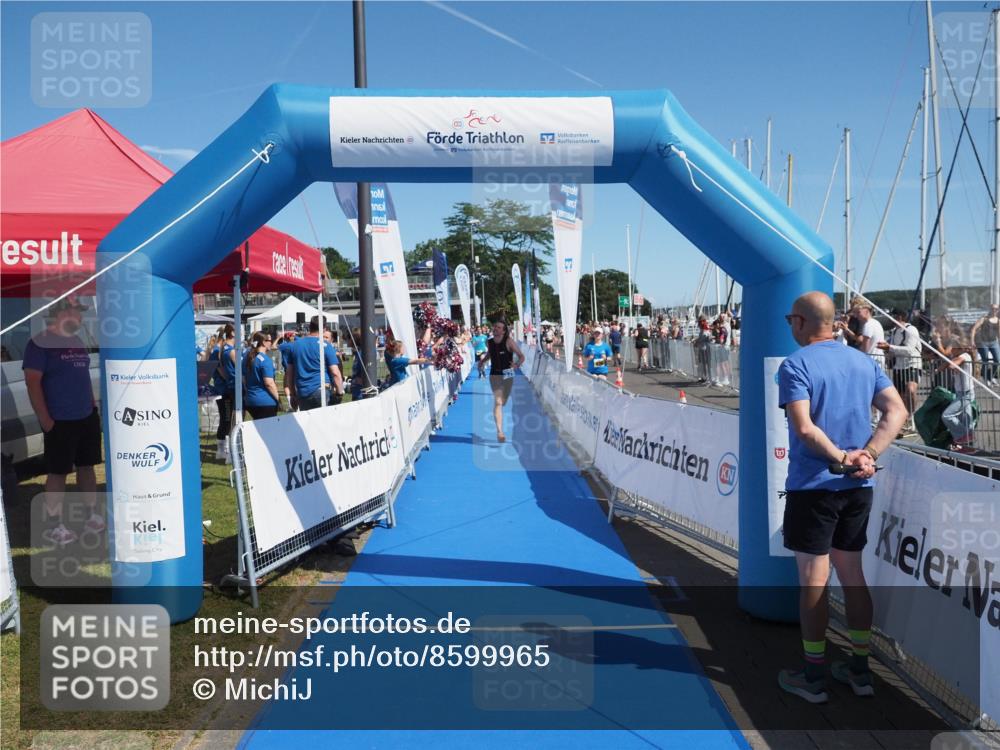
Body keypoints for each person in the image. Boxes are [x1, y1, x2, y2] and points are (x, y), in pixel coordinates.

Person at [777, 291, 907, 704]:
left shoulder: (795, 364)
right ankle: (860, 670)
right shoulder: (863, 361)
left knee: (814, 579)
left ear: (799, 321)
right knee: (852, 573)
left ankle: (813, 676)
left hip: (817, 486)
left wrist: (844, 459)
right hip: (857, 488)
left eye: (789, 320)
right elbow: (897, 411)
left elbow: (804, 429)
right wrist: (866, 455)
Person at [22, 297, 104, 546]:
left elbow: (81, 377)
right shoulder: (39, 344)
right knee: (58, 473)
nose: (80, 318)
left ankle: (91, 516)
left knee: (87, 467)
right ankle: (55, 525)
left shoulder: (76, 340)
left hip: (85, 416)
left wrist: (91, 404)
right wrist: (46, 419)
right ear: (62, 313)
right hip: (60, 420)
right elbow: (32, 382)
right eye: (77, 312)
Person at [877, 309, 922, 434]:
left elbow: (909, 349)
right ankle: (904, 420)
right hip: (899, 367)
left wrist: (889, 347)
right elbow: (893, 351)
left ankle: (910, 416)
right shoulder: (894, 332)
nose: (890, 318)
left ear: (900, 317)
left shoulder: (911, 330)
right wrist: (887, 351)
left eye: (893, 316)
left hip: (912, 364)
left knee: (911, 389)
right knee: (901, 396)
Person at [286, 316, 344, 411]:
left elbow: (289, 374)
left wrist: (292, 394)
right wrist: (339, 392)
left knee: (308, 425)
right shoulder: (325, 345)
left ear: (310, 326)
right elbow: (335, 373)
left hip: (302, 392)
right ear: (324, 329)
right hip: (321, 391)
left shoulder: (294, 345)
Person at [480, 320, 524, 442]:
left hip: (508, 372)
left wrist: (516, 365)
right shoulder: (489, 342)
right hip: (494, 373)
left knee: (503, 402)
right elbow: (490, 354)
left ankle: (501, 406)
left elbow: (522, 356)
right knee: (498, 402)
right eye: (495, 326)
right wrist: (482, 361)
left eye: (499, 327)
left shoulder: (509, 341)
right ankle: (500, 432)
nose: (496, 329)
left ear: (504, 331)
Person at [936, 346, 977, 452]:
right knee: (966, 421)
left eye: (952, 348)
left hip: (966, 394)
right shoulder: (958, 356)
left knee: (947, 415)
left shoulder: (964, 356)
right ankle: (966, 445)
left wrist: (951, 361)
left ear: (960, 348)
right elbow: (941, 369)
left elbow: (952, 366)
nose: (950, 350)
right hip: (960, 393)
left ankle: (963, 436)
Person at [213, 323, 238, 461]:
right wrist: (229, 379)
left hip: (226, 388)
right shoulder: (222, 350)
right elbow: (218, 369)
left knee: (227, 420)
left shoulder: (223, 349)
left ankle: (223, 451)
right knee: (228, 420)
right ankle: (226, 452)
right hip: (225, 390)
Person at [242, 332, 281, 420]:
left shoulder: (247, 358)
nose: (271, 342)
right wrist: (278, 399)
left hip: (250, 400)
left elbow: (243, 379)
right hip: (265, 402)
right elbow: (269, 383)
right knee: (268, 432)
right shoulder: (265, 360)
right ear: (263, 342)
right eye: (270, 340)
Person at [970, 303, 1000, 385]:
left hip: (994, 342)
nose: (994, 310)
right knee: (985, 360)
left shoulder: (998, 320)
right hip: (983, 342)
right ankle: (986, 377)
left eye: (996, 309)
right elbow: (974, 329)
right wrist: (972, 341)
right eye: (993, 308)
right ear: (990, 309)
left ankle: (992, 376)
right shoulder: (984, 319)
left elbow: (998, 332)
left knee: (997, 359)